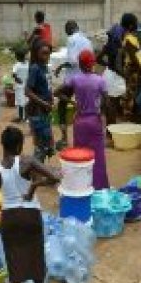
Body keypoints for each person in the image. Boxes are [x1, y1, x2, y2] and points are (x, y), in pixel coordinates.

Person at [0, 127, 59, 283]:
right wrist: (34, 185)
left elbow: (1, 186)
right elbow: (55, 177)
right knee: (36, 257)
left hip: (10, 217)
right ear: (19, 144)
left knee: (14, 259)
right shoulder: (27, 161)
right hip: (31, 215)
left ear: (3, 144)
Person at [56, 50, 110, 189]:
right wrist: (101, 112)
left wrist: (73, 103)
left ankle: (81, 187)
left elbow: (57, 92)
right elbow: (107, 102)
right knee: (98, 157)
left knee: (80, 157)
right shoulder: (100, 80)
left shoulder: (74, 79)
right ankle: (99, 187)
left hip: (80, 122)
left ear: (79, 64)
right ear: (93, 64)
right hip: (94, 121)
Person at [55, 21, 94, 149]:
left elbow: (72, 60)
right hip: (86, 77)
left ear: (68, 30)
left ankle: (65, 138)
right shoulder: (87, 40)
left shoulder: (71, 39)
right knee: (87, 107)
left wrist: (61, 65)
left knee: (61, 104)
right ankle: (87, 139)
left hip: (73, 78)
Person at [25, 41, 55, 162]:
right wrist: (44, 103)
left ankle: (40, 170)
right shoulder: (35, 69)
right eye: (43, 54)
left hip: (45, 111)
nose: (46, 57)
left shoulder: (45, 68)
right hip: (37, 112)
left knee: (47, 144)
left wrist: (51, 98)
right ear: (36, 54)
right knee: (40, 145)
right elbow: (27, 91)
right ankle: (37, 172)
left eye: (48, 54)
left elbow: (46, 86)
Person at [11, 48, 29, 124]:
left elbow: (13, 74)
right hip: (27, 86)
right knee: (26, 102)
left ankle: (21, 118)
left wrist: (17, 79)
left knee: (20, 103)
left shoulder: (16, 65)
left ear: (17, 57)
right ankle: (26, 118)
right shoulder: (28, 64)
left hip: (19, 87)